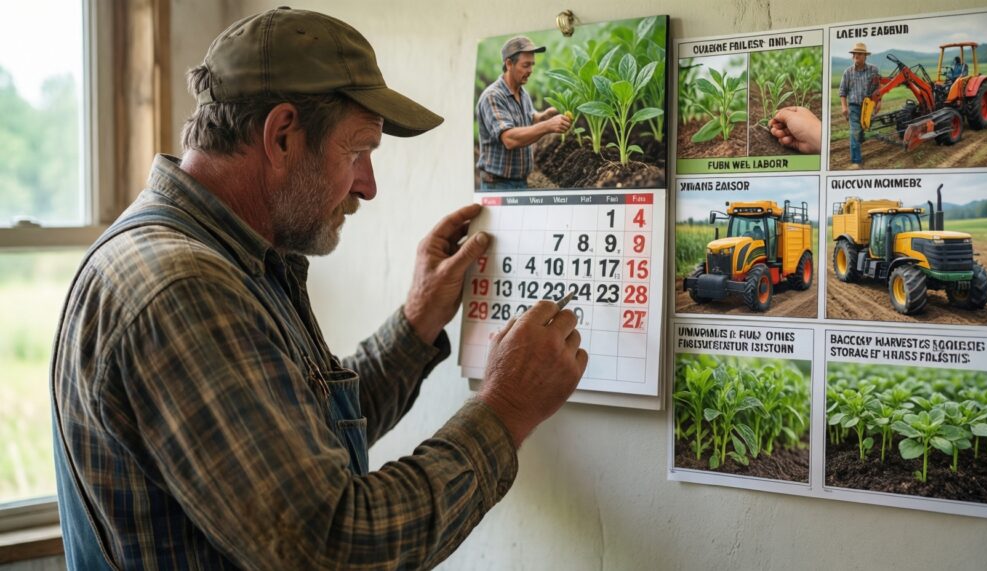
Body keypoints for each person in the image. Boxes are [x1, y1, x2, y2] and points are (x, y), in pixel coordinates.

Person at [51, 7, 587, 569]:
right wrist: (505, 408)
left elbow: (299, 443)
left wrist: (418, 320)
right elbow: (332, 546)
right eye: (357, 152)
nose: (369, 186)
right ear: (282, 136)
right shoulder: (183, 289)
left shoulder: (215, 259)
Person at [476, 36, 570, 190]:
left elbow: (530, 119)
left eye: (532, 65)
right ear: (509, 64)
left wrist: (544, 116)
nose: (530, 71)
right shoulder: (492, 96)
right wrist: (548, 125)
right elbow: (509, 139)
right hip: (498, 185)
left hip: (520, 182)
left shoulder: (522, 93)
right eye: (526, 65)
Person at [838, 42, 880, 170]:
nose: (857, 55)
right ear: (852, 56)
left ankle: (860, 138)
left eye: (860, 54)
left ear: (865, 56)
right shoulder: (848, 72)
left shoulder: (873, 70)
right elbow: (842, 91)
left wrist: (879, 103)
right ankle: (856, 161)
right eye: (855, 53)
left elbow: (878, 88)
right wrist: (844, 107)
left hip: (868, 106)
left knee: (864, 128)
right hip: (854, 106)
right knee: (855, 132)